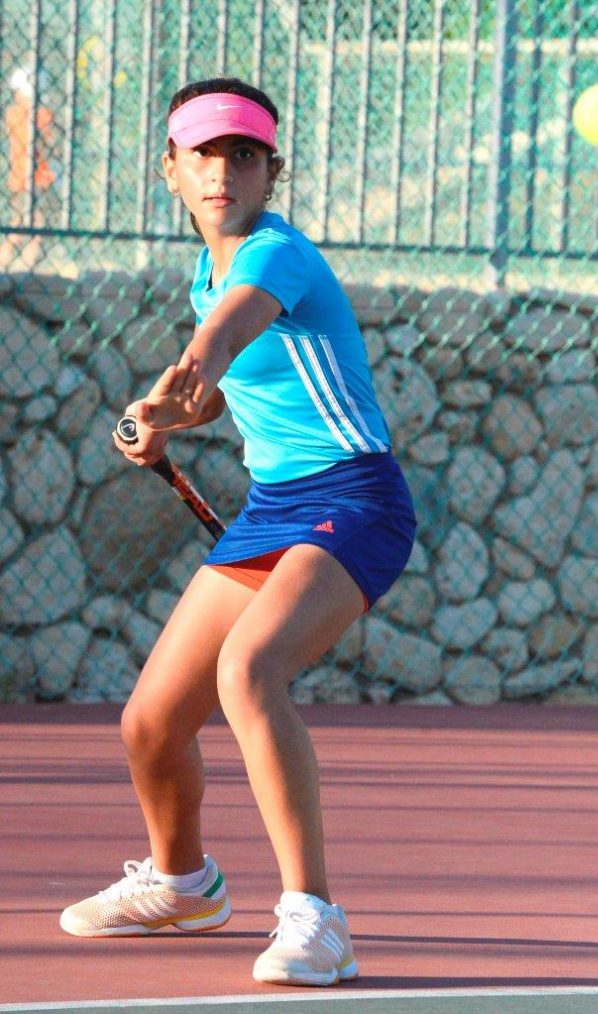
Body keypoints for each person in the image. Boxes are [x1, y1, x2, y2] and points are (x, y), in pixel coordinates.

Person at [59, 75, 416, 987]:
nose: (224, 171)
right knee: (151, 722)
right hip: (273, 509)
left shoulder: (275, 257)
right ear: (171, 169)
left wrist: (180, 382)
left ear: (271, 173)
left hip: (355, 499)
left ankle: (316, 919)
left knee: (249, 670)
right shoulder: (206, 271)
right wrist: (168, 419)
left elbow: (218, 344)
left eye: (245, 155)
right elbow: (223, 387)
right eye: (206, 154)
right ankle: (183, 885)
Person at [1, 66, 57, 269]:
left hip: (17, 176)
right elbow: (52, 142)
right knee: (37, 226)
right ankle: (26, 266)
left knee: (18, 221)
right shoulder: (42, 114)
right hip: (38, 177)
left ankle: (5, 261)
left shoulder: (12, 113)